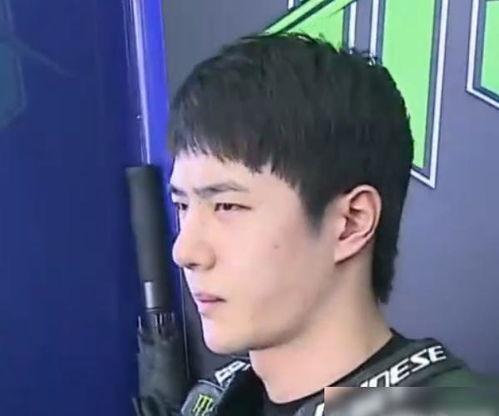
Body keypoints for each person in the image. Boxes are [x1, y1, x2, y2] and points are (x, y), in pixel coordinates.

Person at [162, 33, 498, 416]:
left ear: (351, 223)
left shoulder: (456, 410)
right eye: (182, 206)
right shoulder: (211, 403)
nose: (185, 251)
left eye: (227, 206)